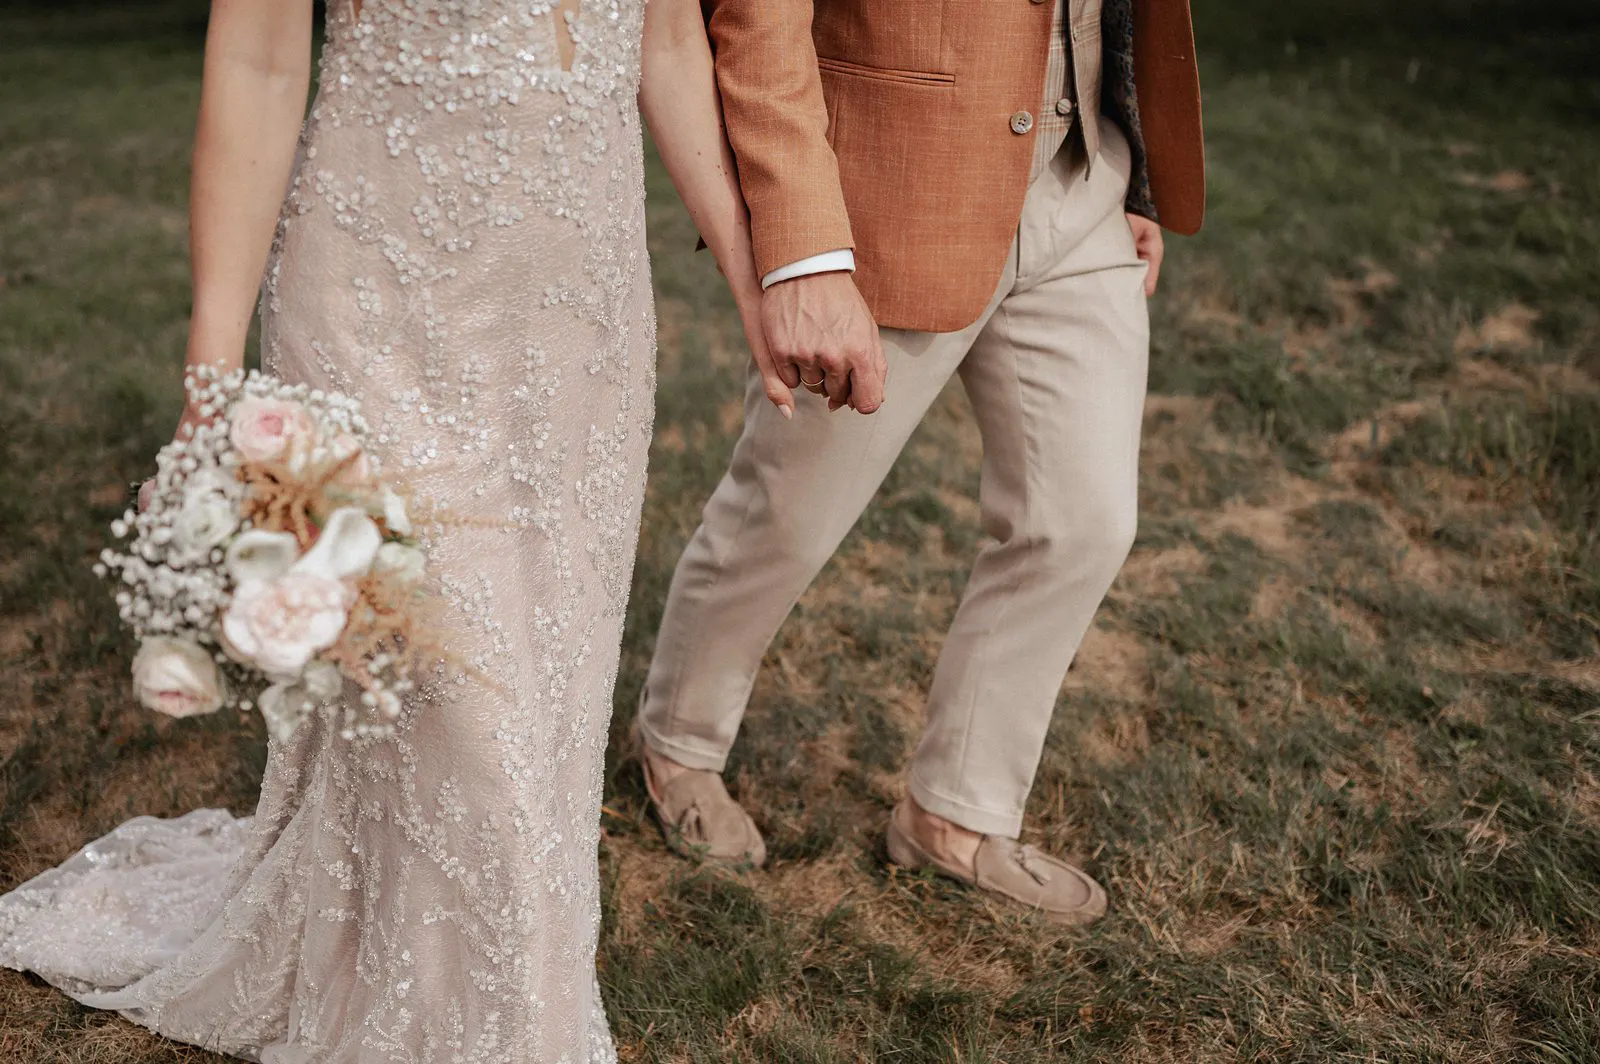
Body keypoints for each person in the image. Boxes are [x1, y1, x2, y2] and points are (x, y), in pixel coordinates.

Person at [0, 0, 802, 1059]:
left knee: (546, 684)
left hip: (579, 324)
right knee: (462, 694)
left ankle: (458, 960)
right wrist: (212, 378)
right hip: (379, 307)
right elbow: (257, 56)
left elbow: (662, 39)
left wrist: (755, 276)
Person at [633, 0, 1206, 926]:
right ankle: (678, 742)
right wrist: (803, 252)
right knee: (789, 514)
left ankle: (955, 815)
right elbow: (761, 16)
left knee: (1082, 522)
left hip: (1081, 178)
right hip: (890, 191)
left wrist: (1129, 160)